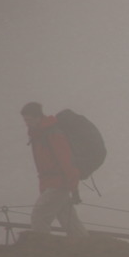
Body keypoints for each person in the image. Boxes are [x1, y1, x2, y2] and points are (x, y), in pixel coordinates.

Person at [21, 102, 88, 237]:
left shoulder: (53, 134)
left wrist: (74, 187)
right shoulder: (40, 134)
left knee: (39, 216)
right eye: (25, 120)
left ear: (38, 117)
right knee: (69, 221)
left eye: (29, 120)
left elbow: (67, 163)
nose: (26, 123)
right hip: (54, 183)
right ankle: (86, 249)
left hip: (57, 184)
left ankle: (43, 252)